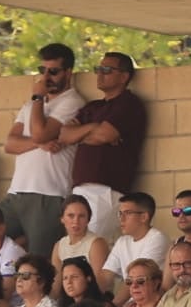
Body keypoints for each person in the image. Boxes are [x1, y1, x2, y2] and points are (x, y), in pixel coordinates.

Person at [0, 43, 86, 254]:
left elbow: (41, 133)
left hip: (48, 194)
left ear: (68, 72)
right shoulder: (30, 106)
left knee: (40, 258)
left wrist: (38, 98)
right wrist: (39, 144)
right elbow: (10, 144)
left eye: (53, 72)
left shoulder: (72, 101)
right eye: (42, 71)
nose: (46, 77)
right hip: (17, 191)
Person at [60, 51, 148, 239]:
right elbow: (65, 135)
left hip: (106, 190)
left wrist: (82, 133)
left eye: (107, 70)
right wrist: (92, 128)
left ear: (124, 76)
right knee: (76, 246)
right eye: (98, 69)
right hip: (79, 189)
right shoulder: (92, 107)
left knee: (93, 245)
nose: (100, 74)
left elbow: (105, 134)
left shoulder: (128, 103)